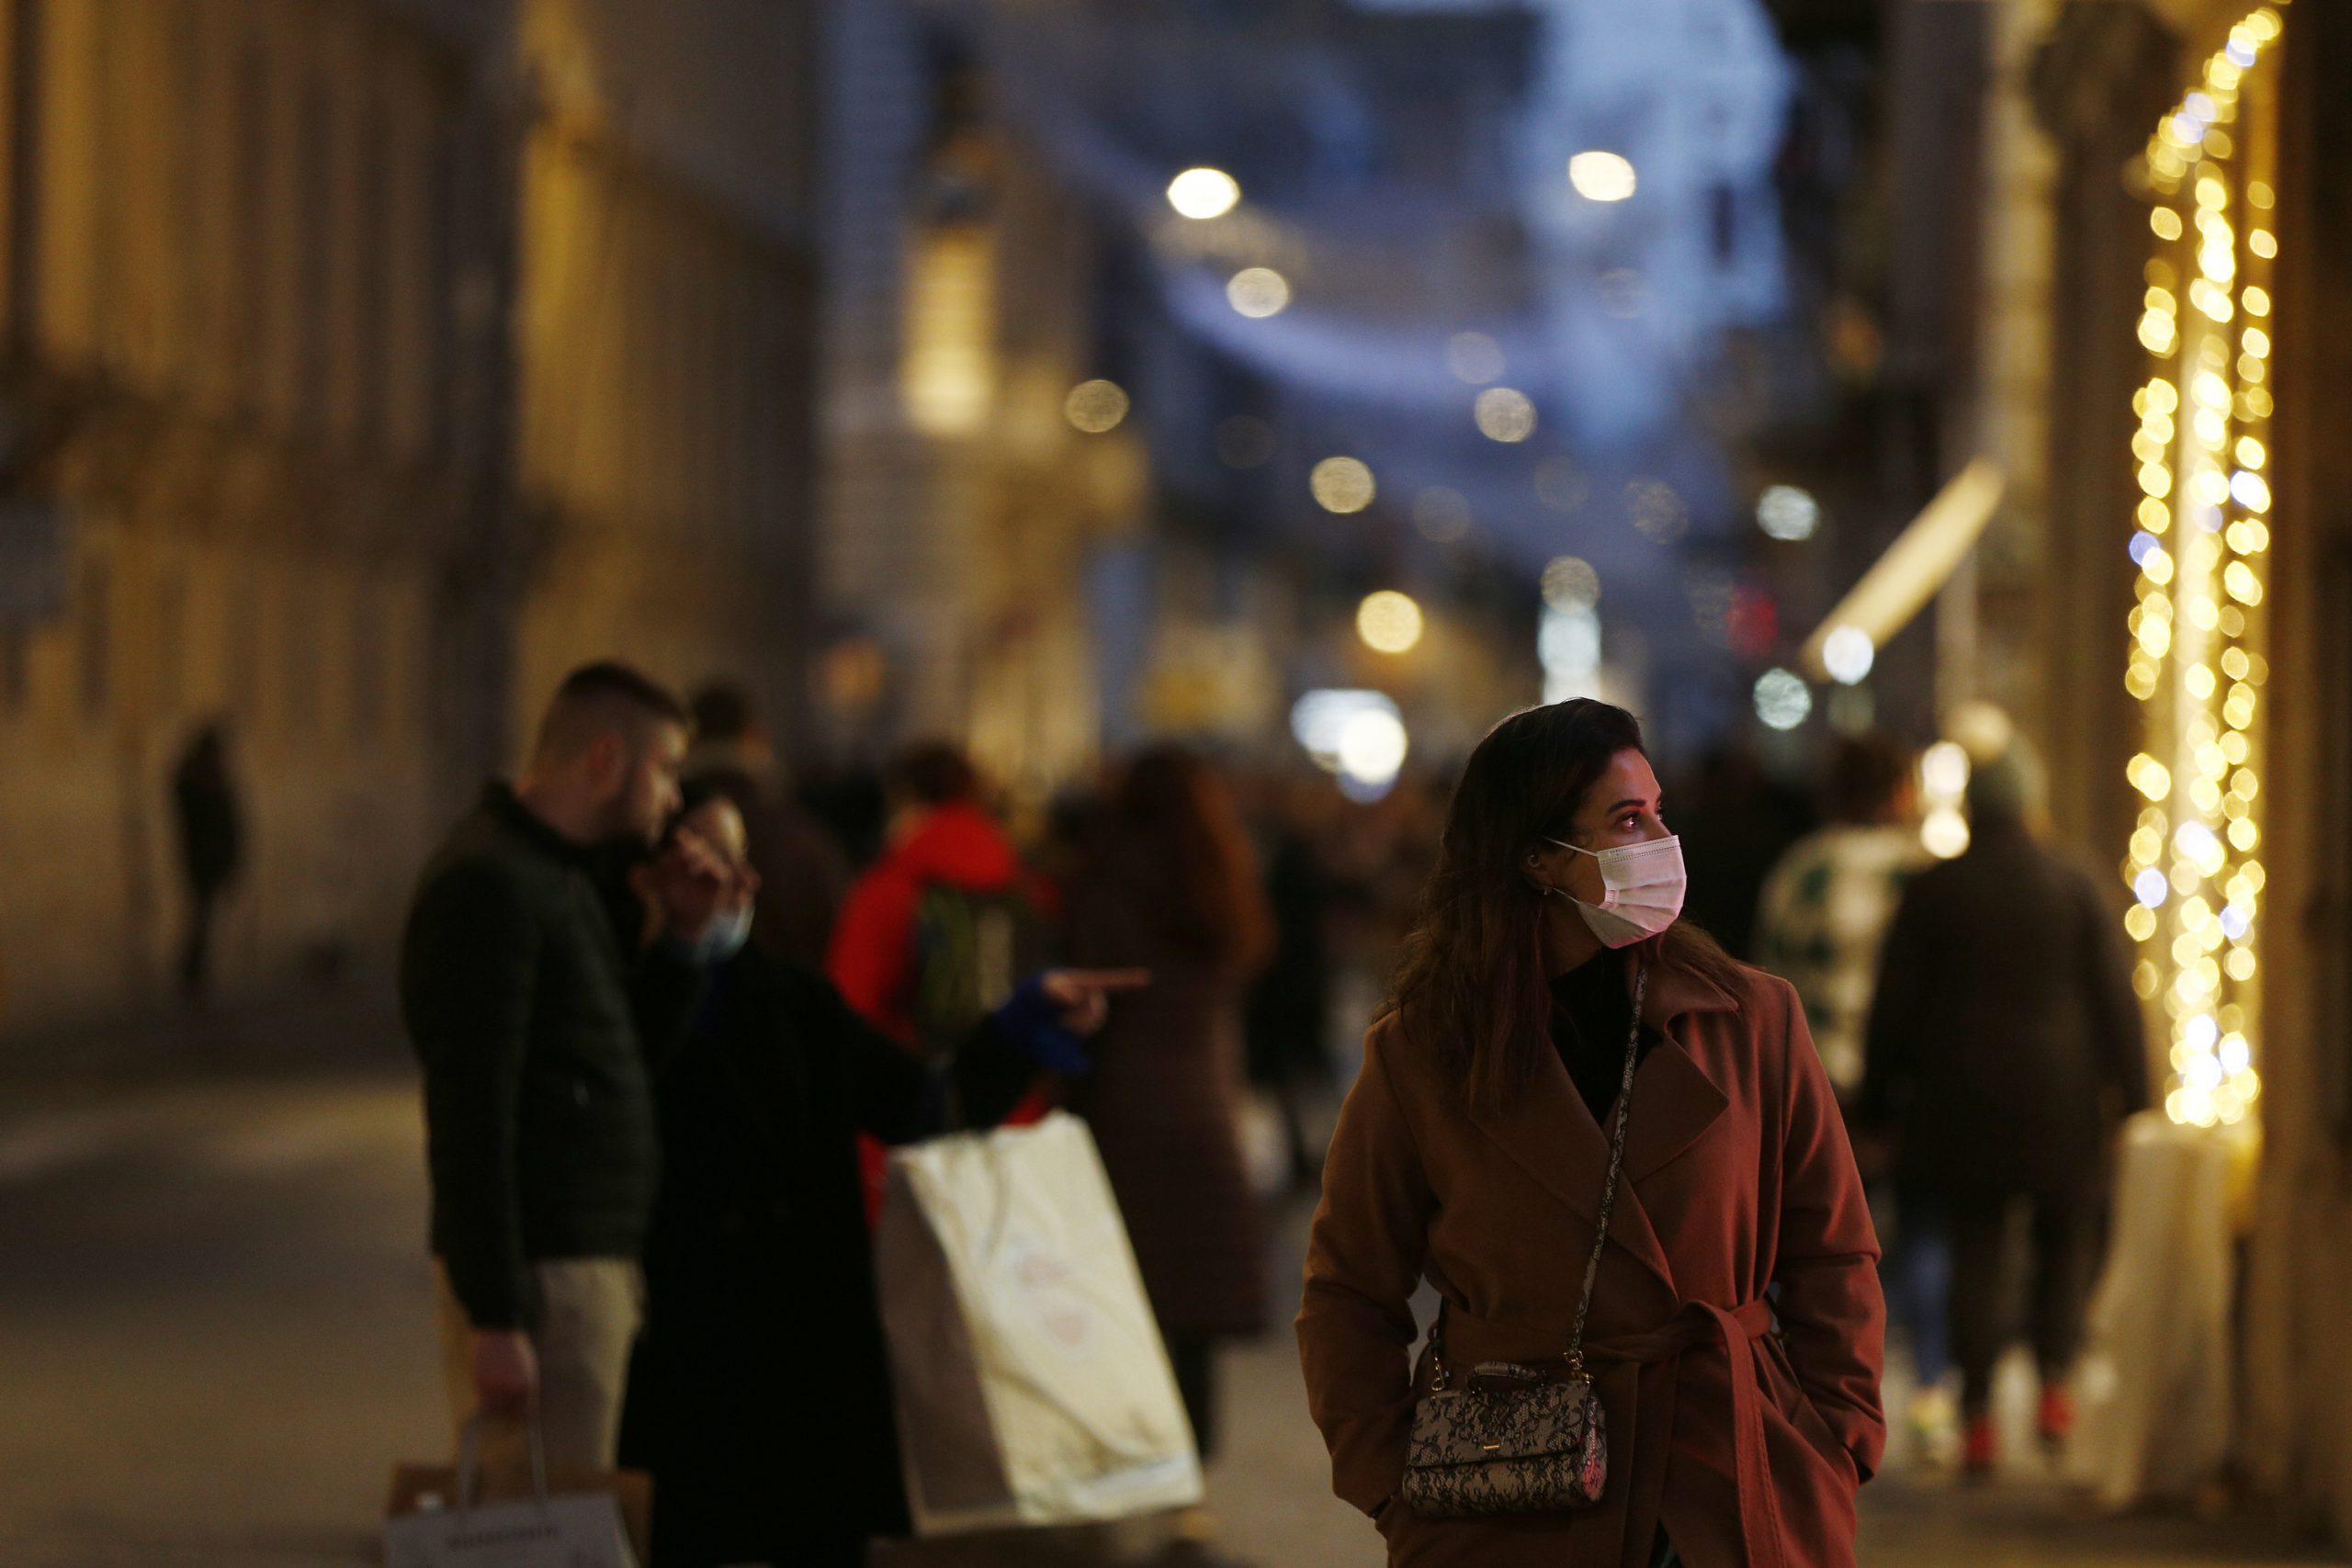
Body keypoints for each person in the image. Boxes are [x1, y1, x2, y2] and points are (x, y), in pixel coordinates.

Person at [1298, 699, 1884, 1568]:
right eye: (1627, 818)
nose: (1658, 838)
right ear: (1538, 859)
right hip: (1509, 1494)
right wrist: (1392, 1480)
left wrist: (1835, 1442)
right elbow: (1350, 1289)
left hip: (1725, 1482)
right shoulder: (1425, 1052)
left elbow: (1831, 1250)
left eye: (1657, 810)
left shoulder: (1751, 1019)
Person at [616, 784, 1142, 1568]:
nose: (740, 883)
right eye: (710, 862)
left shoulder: (794, 997)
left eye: (739, 860)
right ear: (649, 878)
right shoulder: (618, 996)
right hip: (686, 1347)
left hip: (809, 1348)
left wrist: (1015, 1031)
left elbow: (922, 1104)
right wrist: (679, 962)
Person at [400, 661, 744, 1479]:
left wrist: (687, 940)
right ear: (602, 760)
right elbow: (471, 1110)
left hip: (582, 1266)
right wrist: (497, 1314)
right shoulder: (492, 884)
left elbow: (617, 1056)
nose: (671, 799)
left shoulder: (561, 877)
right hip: (544, 1281)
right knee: (537, 1530)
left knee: (563, 1526)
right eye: (662, 769)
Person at [1856, 740, 2148, 1475]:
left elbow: (1895, 1007)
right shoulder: (2074, 883)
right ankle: (2054, 1386)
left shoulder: (1935, 890)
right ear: (2032, 806)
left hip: (1961, 1101)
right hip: (2063, 1099)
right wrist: (2135, 1097)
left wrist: (1878, 1102)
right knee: (2063, 1243)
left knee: (1975, 1250)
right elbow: (2116, 1000)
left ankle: (1979, 1413)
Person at [1069, 748, 1275, 1501]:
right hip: (1206, 1108)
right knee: (1192, 1307)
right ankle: (1190, 1487)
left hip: (1126, 1111)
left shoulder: (1108, 880)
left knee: (1127, 1302)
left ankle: (1126, 1472)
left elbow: (1087, 1002)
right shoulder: (1219, 879)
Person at [1754, 734, 1947, 1461]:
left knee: (1808, 1243)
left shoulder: (1801, 869)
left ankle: (1792, 1393)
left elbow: (1768, 979)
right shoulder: (1921, 870)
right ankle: (1929, 1392)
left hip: (1816, 1078)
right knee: (1922, 1231)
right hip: (1908, 1082)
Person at [826, 740, 1043, 1050]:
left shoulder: (890, 887)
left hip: (918, 1085)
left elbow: (851, 1005)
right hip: (1013, 1083)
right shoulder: (1021, 883)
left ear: (905, 799)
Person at [683, 680, 851, 970]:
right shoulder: (797, 834)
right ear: (755, 737)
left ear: (688, 740)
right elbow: (831, 933)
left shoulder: (660, 830)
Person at [171, 720, 245, 1003]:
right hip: (202, 859)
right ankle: (193, 972)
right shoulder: (196, 779)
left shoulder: (211, 778)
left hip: (211, 859)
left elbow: (229, 822)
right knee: (201, 916)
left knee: (205, 916)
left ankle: (197, 971)